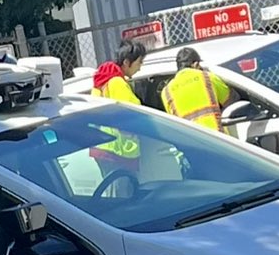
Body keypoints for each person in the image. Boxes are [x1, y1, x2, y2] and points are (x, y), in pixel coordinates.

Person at [89, 38, 147, 170]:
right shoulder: (117, 83)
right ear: (126, 62)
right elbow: (134, 113)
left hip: (105, 148)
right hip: (118, 151)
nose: (140, 67)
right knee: (123, 183)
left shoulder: (104, 81)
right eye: (139, 62)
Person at [161, 46, 228, 130]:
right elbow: (230, 100)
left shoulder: (166, 92)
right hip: (215, 135)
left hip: (190, 137)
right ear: (196, 64)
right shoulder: (206, 77)